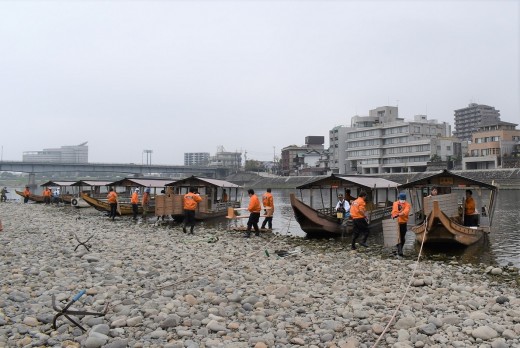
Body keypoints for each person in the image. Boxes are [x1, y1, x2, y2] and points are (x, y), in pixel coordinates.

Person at [392, 192, 411, 257]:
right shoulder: (395, 203)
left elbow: (406, 211)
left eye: (403, 199)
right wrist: (395, 214)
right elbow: (394, 212)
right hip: (396, 223)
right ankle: (400, 251)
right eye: (401, 199)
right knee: (398, 237)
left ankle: (400, 249)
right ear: (399, 198)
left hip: (403, 223)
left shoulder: (407, 205)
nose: (402, 200)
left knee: (402, 237)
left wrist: (400, 214)